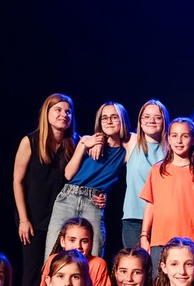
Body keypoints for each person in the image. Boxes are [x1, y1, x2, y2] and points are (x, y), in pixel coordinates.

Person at [45, 102, 131, 259]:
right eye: (104, 118)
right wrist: (85, 145)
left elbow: (136, 138)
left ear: (122, 120)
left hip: (93, 201)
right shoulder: (87, 141)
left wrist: (105, 195)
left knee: (94, 252)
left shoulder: (125, 151)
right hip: (68, 197)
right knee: (54, 252)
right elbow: (68, 174)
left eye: (114, 117)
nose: (109, 121)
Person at [13, 93, 77, 286]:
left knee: (58, 268)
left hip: (61, 217)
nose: (64, 115)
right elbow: (17, 182)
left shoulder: (74, 143)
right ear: (46, 113)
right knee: (33, 270)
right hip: (33, 217)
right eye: (58, 110)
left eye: (68, 111)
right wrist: (23, 220)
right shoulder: (30, 141)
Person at [139, 118, 194, 265]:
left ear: (193, 139)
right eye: (174, 135)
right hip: (159, 241)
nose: (179, 141)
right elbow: (151, 205)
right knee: (158, 278)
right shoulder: (157, 170)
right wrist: (144, 236)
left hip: (188, 242)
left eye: (185, 136)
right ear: (168, 139)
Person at [121, 99, 169, 248]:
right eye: (146, 117)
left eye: (157, 117)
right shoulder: (132, 142)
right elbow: (107, 134)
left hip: (162, 219)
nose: (151, 121)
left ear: (164, 121)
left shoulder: (172, 147)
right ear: (140, 121)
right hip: (134, 218)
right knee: (134, 261)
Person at [41, 217, 111, 286]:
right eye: (72, 240)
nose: (78, 246)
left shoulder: (98, 264)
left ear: (91, 244)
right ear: (62, 241)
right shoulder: (52, 260)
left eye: (84, 241)